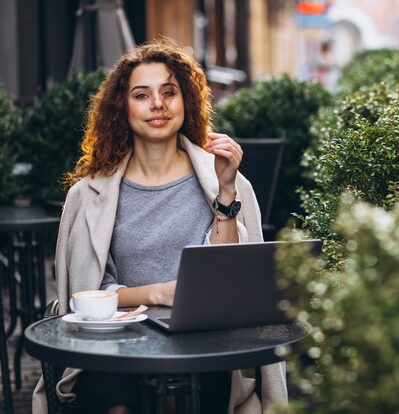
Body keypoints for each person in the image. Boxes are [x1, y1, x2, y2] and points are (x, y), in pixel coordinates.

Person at [32, 39, 287, 414]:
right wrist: (159, 293)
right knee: (114, 400)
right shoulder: (88, 196)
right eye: (142, 94)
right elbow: (85, 295)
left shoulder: (226, 181)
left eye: (169, 92)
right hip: (114, 347)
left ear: (187, 102)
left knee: (190, 394)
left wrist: (227, 190)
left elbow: (228, 281)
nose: (158, 104)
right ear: (123, 107)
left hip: (203, 348)